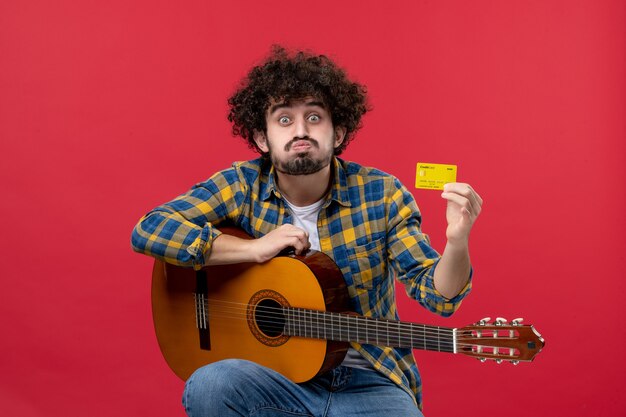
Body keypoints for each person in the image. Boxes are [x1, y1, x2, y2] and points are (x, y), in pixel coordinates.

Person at [131, 45, 482, 417]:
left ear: (339, 132)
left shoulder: (382, 194)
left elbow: (439, 298)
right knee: (211, 384)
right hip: (275, 379)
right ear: (263, 139)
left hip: (371, 384)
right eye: (284, 119)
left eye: (314, 117)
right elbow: (150, 230)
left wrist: (457, 243)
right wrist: (253, 250)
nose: (301, 131)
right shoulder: (241, 185)